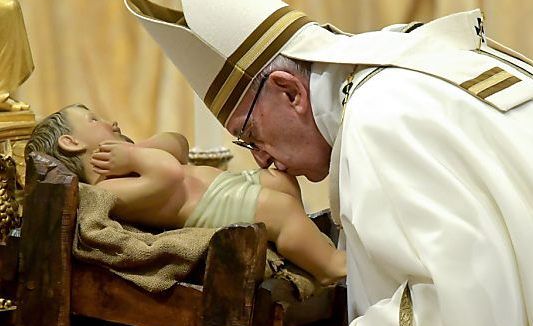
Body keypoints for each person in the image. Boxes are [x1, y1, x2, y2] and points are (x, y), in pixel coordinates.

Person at [122, 0, 533, 326]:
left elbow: (463, 308)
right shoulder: (410, 70)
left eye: (250, 134)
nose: (260, 159)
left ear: (290, 91)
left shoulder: (378, 117)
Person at [24, 104, 346, 286]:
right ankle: (329, 266)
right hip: (212, 208)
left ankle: (304, 251)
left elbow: (177, 144)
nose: (111, 120)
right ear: (71, 142)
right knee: (282, 212)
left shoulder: (130, 158)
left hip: (228, 186)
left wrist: (135, 149)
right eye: (94, 120)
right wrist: (135, 158)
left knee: (282, 182)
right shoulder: (107, 189)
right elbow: (169, 174)